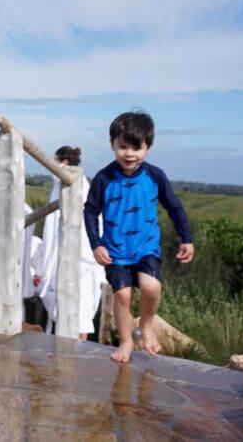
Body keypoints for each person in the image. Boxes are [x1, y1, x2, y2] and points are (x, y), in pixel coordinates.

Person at [84, 110, 194, 363]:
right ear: (112, 145)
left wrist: (185, 237)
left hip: (146, 246)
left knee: (151, 287)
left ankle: (145, 325)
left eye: (137, 148)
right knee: (122, 295)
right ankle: (125, 341)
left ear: (148, 148)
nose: (129, 154)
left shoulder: (155, 176)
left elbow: (174, 206)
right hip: (115, 249)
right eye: (122, 147)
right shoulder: (104, 178)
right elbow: (90, 210)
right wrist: (96, 244)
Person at [37, 146, 106, 340]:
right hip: (72, 255)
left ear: (64, 163)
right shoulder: (65, 184)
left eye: (55, 161)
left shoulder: (73, 184)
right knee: (67, 303)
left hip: (81, 257)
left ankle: (77, 348)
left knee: (81, 307)